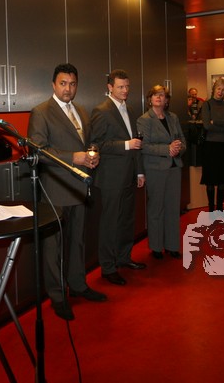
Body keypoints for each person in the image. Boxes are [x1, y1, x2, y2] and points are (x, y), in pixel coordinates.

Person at [27, 63, 107, 320]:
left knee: (78, 241)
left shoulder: (81, 111)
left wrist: (93, 154)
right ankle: (58, 295)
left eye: (72, 84)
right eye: (63, 83)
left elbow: (89, 142)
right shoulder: (41, 112)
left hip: (80, 187)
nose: (68, 89)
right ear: (53, 84)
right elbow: (38, 151)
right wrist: (75, 157)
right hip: (56, 188)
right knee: (54, 247)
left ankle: (78, 285)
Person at [91, 69, 146, 286]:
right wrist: (125, 145)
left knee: (126, 220)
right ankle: (108, 267)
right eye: (121, 87)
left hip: (129, 175)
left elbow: (137, 143)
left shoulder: (129, 109)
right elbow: (97, 144)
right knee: (110, 223)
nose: (125, 90)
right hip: (111, 178)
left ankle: (124, 258)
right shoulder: (101, 110)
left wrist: (139, 171)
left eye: (127, 86)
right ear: (110, 87)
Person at [137, 85, 186, 260]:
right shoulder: (144, 120)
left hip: (174, 167)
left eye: (162, 95)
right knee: (156, 208)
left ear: (166, 100)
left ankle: (172, 246)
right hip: (155, 169)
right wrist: (167, 149)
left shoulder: (173, 117)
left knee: (173, 208)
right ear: (149, 99)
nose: (159, 97)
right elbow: (144, 146)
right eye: (155, 94)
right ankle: (156, 246)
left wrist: (179, 148)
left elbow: (182, 139)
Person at [200, 78, 224, 211]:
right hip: (210, 146)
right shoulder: (207, 105)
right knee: (210, 179)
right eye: (218, 89)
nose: (220, 92)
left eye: (223, 90)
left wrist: (215, 121)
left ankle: (220, 207)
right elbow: (206, 126)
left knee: (223, 178)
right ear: (214, 89)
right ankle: (211, 208)